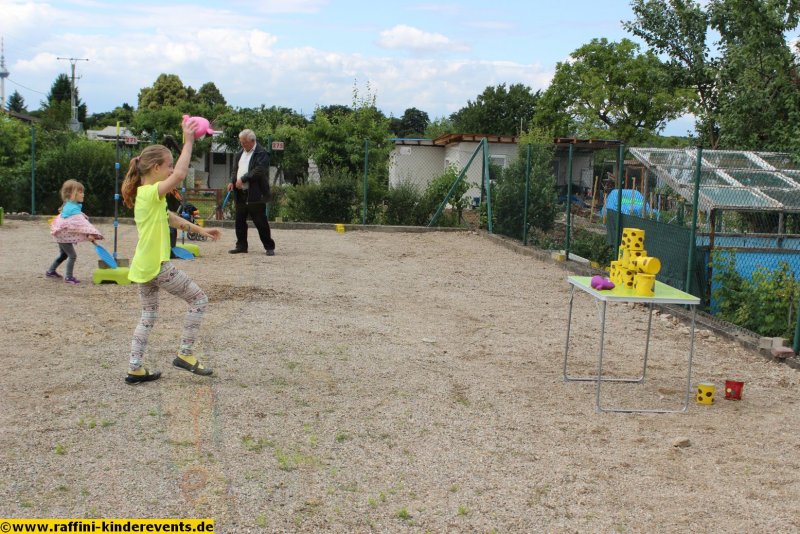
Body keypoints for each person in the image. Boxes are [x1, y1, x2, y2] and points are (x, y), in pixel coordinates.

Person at [120, 120, 221, 385]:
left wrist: (202, 231)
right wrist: (188, 141)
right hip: (158, 266)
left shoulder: (149, 196)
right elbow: (180, 176)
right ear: (156, 168)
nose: (172, 170)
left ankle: (135, 368)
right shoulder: (150, 192)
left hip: (143, 267)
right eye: (168, 165)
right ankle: (184, 354)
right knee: (199, 300)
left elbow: (171, 219)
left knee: (148, 316)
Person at [227, 129, 275, 255]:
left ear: (253, 141)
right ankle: (241, 246)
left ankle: (269, 246)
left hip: (256, 194)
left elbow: (259, 170)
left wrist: (243, 179)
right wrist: (232, 181)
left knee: (260, 222)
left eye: (244, 142)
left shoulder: (261, 153)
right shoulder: (239, 153)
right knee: (239, 221)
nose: (242, 145)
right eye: (241, 142)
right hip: (240, 193)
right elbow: (235, 170)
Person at [46, 179, 104, 285]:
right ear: (72, 194)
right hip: (63, 235)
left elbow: (77, 222)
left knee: (64, 255)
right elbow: (82, 224)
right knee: (72, 256)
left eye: (83, 192)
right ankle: (69, 277)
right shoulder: (73, 209)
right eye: (80, 192)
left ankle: (51, 271)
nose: (83, 194)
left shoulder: (70, 204)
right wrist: (91, 233)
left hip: (60, 234)